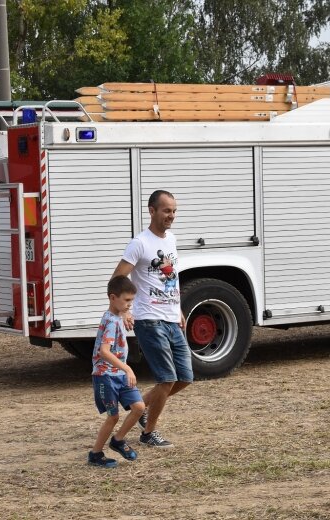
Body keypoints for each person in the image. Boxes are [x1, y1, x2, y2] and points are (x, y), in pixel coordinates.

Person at [111, 189, 192, 449]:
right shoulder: (140, 243)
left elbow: (171, 279)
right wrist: (124, 311)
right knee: (166, 379)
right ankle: (148, 433)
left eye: (174, 211)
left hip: (170, 318)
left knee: (185, 377)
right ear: (152, 210)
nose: (171, 216)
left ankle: (139, 407)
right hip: (149, 320)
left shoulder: (171, 240)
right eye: (167, 210)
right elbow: (118, 279)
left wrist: (177, 308)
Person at [88, 275, 145, 468]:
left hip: (118, 374)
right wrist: (127, 367)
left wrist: (126, 313)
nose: (130, 304)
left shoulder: (118, 314)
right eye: (127, 300)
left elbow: (124, 313)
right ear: (113, 298)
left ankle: (118, 440)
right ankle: (95, 454)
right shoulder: (110, 321)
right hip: (105, 376)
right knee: (113, 416)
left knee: (139, 407)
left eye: (132, 300)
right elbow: (104, 352)